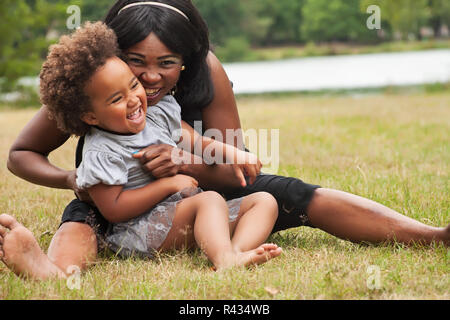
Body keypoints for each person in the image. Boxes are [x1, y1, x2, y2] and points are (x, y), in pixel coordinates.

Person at [3, 0, 449, 280]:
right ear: (112, 56)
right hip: (111, 193)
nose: (150, 77)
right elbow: (22, 154)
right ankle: (52, 273)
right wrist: (72, 179)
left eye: (168, 63)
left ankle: (432, 236)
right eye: (135, 61)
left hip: (195, 186)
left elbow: (238, 168)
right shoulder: (93, 82)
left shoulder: (203, 73)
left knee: (285, 193)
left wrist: (180, 164)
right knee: (83, 219)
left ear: (187, 60)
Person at [0, 21, 283, 278]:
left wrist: (232, 153)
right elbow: (114, 210)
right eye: (116, 98)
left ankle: (235, 253)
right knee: (209, 201)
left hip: (179, 214)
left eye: (133, 85)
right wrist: (168, 184)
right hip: (140, 231)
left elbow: (196, 141)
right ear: (90, 116)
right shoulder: (101, 152)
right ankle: (224, 257)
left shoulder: (157, 113)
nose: (134, 99)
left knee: (264, 201)